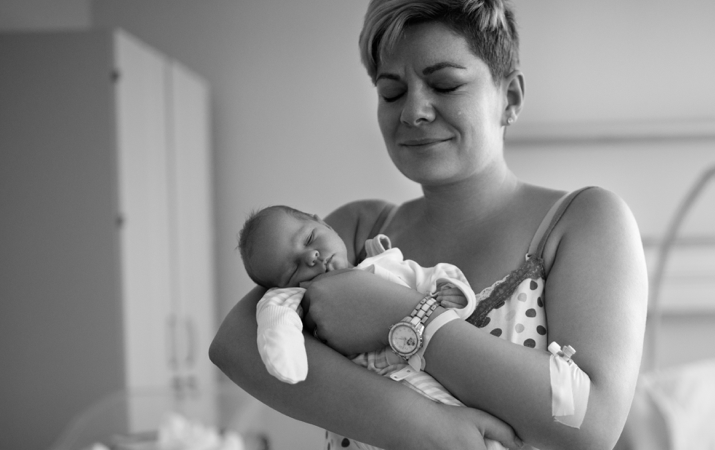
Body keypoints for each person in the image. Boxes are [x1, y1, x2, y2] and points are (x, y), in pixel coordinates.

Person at [209, 1, 648, 449]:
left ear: (511, 98)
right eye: (391, 93)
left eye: (445, 84)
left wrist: (400, 314)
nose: (412, 111)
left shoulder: (584, 221)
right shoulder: (357, 230)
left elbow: (589, 424)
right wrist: (429, 427)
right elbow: (235, 344)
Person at [238, 204, 504, 450]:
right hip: (374, 410)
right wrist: (286, 356)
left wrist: (456, 294)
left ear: (325, 225)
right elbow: (276, 316)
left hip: (432, 381)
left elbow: (435, 277)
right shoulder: (302, 299)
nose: (310, 257)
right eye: (293, 268)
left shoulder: (386, 263)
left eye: (309, 239)